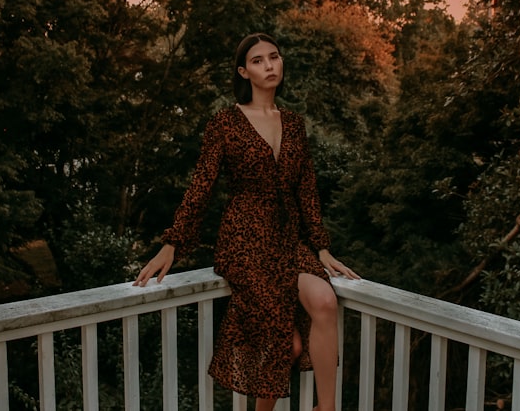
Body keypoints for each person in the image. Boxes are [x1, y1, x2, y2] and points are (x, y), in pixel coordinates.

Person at [134, 32, 359, 411]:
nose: (270, 65)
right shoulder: (225, 122)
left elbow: (306, 189)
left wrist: (320, 246)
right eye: (258, 60)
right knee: (287, 344)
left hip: (287, 240)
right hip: (244, 240)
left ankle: (327, 408)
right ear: (244, 71)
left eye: (274, 57)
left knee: (324, 302)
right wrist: (173, 242)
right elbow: (201, 186)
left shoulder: (295, 123)